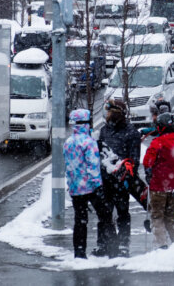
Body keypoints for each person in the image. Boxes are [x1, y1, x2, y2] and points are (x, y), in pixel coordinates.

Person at [63, 109, 117, 259]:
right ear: (86, 123)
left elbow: (68, 166)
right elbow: (93, 167)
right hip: (91, 187)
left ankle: (79, 253)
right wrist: (98, 186)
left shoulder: (68, 143)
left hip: (75, 188)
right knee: (105, 216)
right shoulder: (89, 142)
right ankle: (113, 250)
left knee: (80, 221)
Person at [98, 99, 141, 257]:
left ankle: (123, 245)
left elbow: (135, 160)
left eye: (110, 112)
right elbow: (100, 154)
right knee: (104, 214)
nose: (107, 115)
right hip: (105, 180)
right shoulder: (104, 131)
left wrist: (126, 175)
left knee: (123, 213)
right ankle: (104, 244)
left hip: (121, 182)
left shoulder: (131, 132)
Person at [143, 113, 174, 249]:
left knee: (157, 215)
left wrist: (150, 171)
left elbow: (147, 160)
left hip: (158, 185)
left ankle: (161, 243)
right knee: (171, 215)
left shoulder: (158, 142)